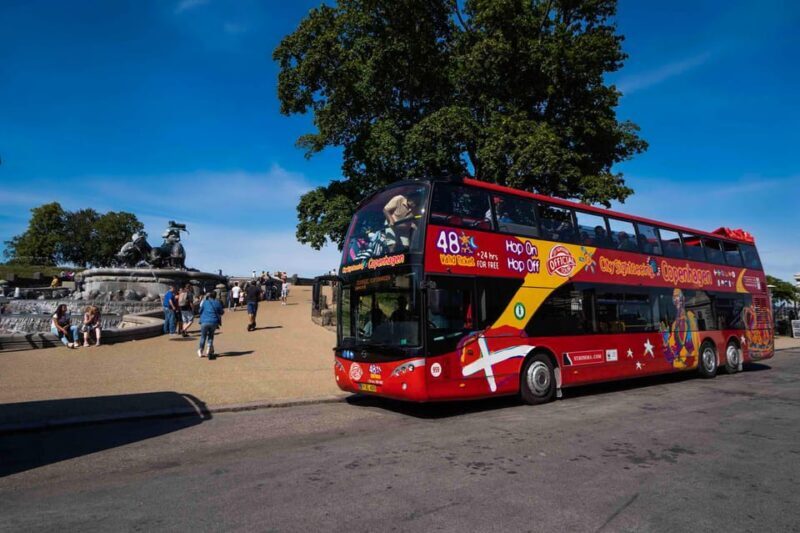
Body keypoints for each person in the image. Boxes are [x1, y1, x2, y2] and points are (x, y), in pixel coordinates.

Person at [198, 291, 224, 359]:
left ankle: (200, 350)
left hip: (204, 321)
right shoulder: (217, 302)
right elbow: (222, 312)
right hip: (213, 321)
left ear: (209, 296)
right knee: (211, 335)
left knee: (203, 336)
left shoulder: (205, 302)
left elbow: (200, 311)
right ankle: (209, 347)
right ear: (215, 296)